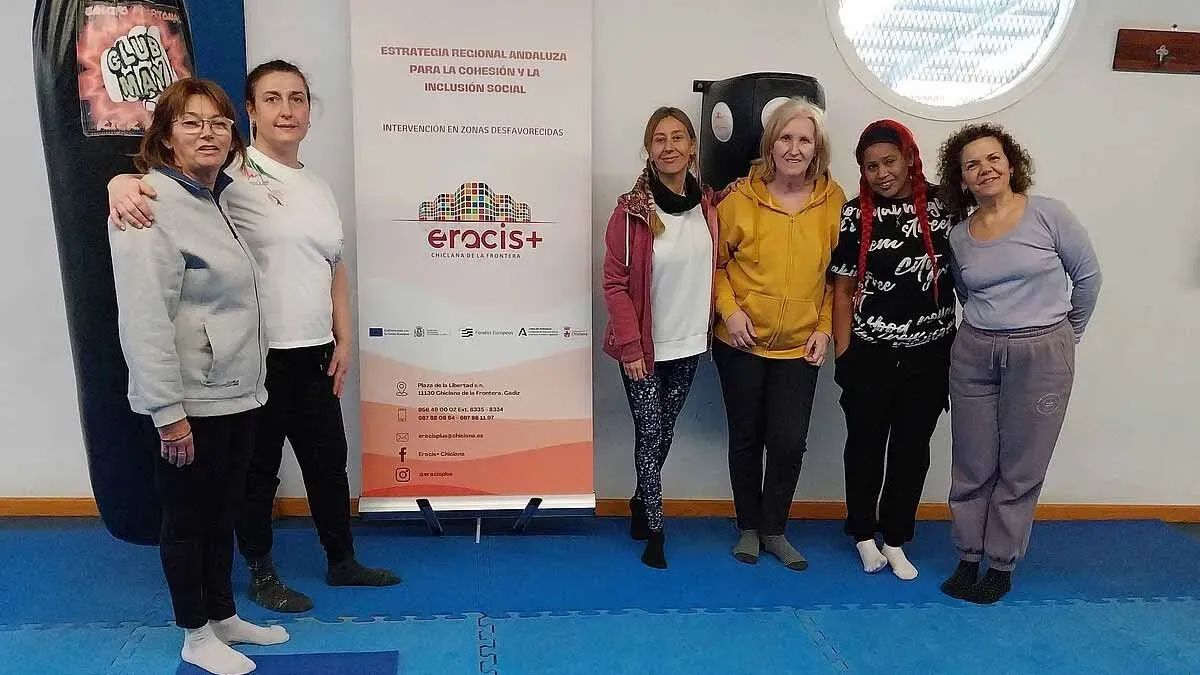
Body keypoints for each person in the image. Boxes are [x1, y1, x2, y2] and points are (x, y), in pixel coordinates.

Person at [107, 60, 400, 614]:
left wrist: (343, 338)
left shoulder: (317, 185)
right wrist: (118, 182)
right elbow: (159, 186)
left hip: (313, 351)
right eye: (272, 99)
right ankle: (261, 571)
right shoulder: (229, 173)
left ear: (310, 111)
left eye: (297, 98)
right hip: (253, 357)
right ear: (250, 112)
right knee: (255, 474)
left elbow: (333, 263)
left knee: (327, 461)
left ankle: (342, 560)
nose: (287, 110)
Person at [108, 77, 288, 675]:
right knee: (186, 521)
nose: (207, 133)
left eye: (217, 122)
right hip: (188, 402)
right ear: (165, 136)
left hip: (237, 393)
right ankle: (195, 632)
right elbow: (144, 321)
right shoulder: (147, 206)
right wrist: (169, 413)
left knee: (221, 512)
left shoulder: (219, 198)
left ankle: (223, 614)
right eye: (191, 122)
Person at [936, 123, 1102, 604]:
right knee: (972, 463)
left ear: (1010, 163)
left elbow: (1087, 279)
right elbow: (965, 292)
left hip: (1042, 350)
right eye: (972, 164)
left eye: (992, 158)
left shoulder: (1050, 215)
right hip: (975, 352)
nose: (984, 169)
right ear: (961, 179)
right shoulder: (960, 235)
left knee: (1021, 466)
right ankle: (968, 556)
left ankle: (1002, 564)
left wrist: (1065, 338)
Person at [712, 97, 845, 571]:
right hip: (740, 342)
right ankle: (748, 527)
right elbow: (716, 267)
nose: (794, 147)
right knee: (745, 437)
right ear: (770, 145)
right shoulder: (737, 201)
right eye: (785, 138)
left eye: (804, 139)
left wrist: (825, 329)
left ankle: (775, 530)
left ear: (817, 149)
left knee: (788, 442)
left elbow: (839, 278)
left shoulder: (835, 203)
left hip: (798, 347)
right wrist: (729, 313)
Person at [829, 120, 956, 581]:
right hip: (869, 355)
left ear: (908, 158)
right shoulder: (853, 214)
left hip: (929, 357)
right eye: (870, 167)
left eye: (889, 162)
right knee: (864, 446)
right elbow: (842, 291)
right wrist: (844, 355)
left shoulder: (944, 207)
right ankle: (863, 535)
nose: (882, 173)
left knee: (911, 449)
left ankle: (897, 537)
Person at [601, 106, 719, 569]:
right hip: (644, 350)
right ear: (648, 150)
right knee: (649, 434)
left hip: (689, 342)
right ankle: (655, 528)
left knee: (663, 432)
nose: (668, 146)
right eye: (658, 139)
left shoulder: (709, 204)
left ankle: (637, 500)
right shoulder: (630, 212)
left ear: (692, 147)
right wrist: (630, 346)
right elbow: (614, 283)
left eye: (677, 137)